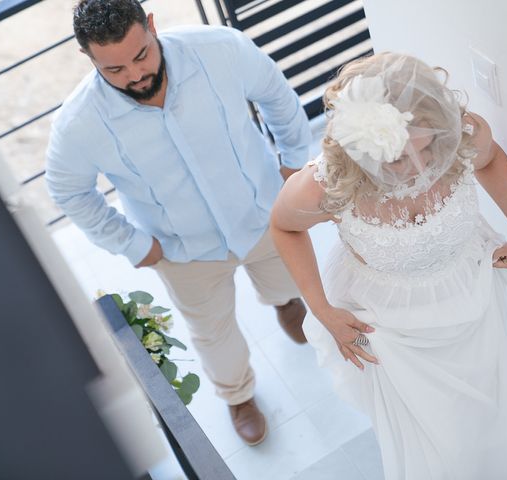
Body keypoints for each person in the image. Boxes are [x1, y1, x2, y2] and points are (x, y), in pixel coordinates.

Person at [46, 0, 313, 446]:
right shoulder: (78, 124)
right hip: (182, 249)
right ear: (88, 57)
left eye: (141, 55)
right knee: (213, 335)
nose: (134, 76)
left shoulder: (221, 49)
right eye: (114, 69)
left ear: (151, 25)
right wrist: (132, 244)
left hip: (262, 210)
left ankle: (285, 303)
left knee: (285, 279)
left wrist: (293, 162)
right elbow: (69, 192)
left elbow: (275, 93)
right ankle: (238, 395)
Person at [270, 52, 507, 479]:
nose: (409, 170)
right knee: (432, 446)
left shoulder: (461, 136)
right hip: (389, 330)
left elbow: (491, 158)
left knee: (484, 416)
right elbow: (283, 228)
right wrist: (321, 310)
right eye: (389, 159)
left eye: (422, 150)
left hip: (472, 303)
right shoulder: (327, 182)